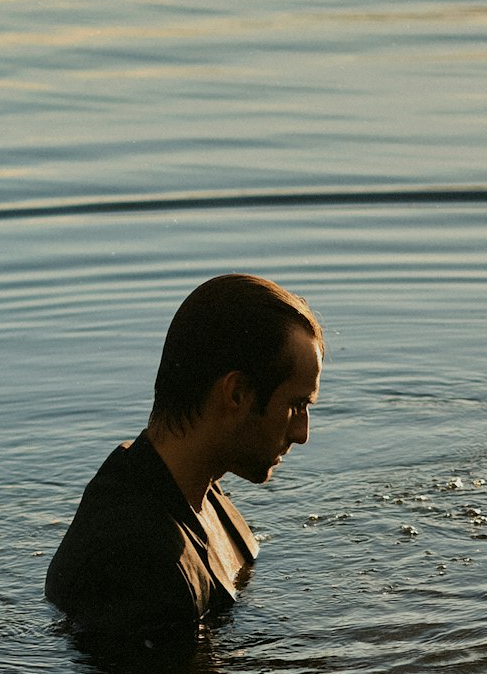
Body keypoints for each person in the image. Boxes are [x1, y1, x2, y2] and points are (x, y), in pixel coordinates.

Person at [45, 273, 323, 644]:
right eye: (295, 406)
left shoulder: (199, 492)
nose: (302, 434)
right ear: (237, 394)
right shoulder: (140, 565)